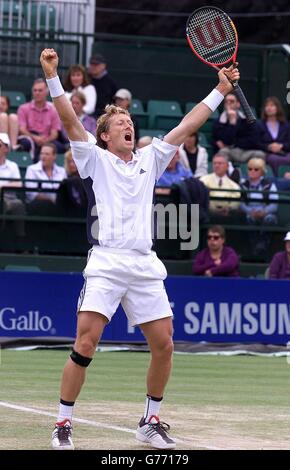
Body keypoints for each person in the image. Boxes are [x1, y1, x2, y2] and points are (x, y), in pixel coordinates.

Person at [40, 47, 239, 450]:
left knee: (164, 344)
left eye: (130, 121)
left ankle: (150, 421)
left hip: (145, 264)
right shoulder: (93, 158)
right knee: (85, 342)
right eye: (121, 123)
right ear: (105, 135)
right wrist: (52, 75)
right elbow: (67, 118)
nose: (128, 125)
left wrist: (219, 90)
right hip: (107, 262)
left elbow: (186, 126)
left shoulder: (151, 158)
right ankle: (63, 423)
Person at [17, 78, 64, 161]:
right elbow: (22, 129)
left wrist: (45, 140)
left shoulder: (53, 110)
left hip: (47, 138)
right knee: (26, 143)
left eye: (40, 90)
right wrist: (35, 138)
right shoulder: (23, 108)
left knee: (59, 147)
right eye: (35, 90)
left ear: (46, 92)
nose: (37, 93)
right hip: (29, 137)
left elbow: (55, 133)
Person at [240, 157, 278, 256]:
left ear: (262, 171)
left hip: (265, 213)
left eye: (256, 169)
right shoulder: (243, 185)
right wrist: (249, 211)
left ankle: (262, 244)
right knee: (249, 219)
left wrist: (264, 211)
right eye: (250, 169)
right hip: (249, 213)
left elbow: (274, 204)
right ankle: (255, 246)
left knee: (270, 219)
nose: (252, 171)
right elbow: (241, 204)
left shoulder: (269, 185)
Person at [212, 92, 265, 163]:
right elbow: (226, 141)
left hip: (246, 151)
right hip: (229, 152)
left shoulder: (247, 120)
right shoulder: (218, 122)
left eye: (232, 101)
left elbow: (253, 140)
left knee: (260, 154)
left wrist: (233, 144)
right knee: (222, 152)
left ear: (238, 104)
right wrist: (232, 123)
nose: (228, 103)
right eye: (226, 102)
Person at [0, 133, 25, 242]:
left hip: (9, 199)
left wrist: (2, 186)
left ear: (6, 148)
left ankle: (20, 239)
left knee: (18, 205)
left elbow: (18, 184)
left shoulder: (13, 166)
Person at [256, 96, 290, 176]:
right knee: (274, 159)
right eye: (267, 106)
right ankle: (276, 181)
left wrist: (281, 146)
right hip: (267, 153)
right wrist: (268, 147)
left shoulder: (286, 125)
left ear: (277, 108)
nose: (269, 108)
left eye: (272, 105)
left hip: (283, 152)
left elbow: (289, 142)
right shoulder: (259, 124)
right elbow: (256, 142)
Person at [200, 152, 241, 218]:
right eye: (215, 163)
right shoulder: (203, 181)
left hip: (227, 216)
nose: (217, 166)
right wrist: (212, 209)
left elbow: (235, 202)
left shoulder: (234, 186)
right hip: (208, 215)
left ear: (227, 166)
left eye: (220, 163)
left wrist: (228, 208)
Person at [88, 54, 118, 118]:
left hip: (104, 116)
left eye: (96, 64)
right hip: (86, 115)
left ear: (103, 66)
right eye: (91, 64)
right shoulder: (85, 79)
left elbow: (114, 101)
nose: (93, 67)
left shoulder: (111, 82)